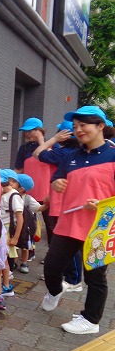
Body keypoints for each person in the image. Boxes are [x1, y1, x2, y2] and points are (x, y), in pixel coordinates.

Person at [42, 106, 115, 334]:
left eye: (83, 125)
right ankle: (55, 290)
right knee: (52, 267)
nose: (78, 130)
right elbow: (57, 179)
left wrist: (102, 203)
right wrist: (56, 184)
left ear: (100, 126)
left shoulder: (113, 155)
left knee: (95, 276)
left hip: (99, 227)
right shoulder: (71, 156)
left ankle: (91, 320)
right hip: (69, 222)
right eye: (75, 126)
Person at [33, 121, 83, 289]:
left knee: (67, 242)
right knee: (69, 242)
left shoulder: (63, 153)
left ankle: (73, 279)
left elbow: (37, 153)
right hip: (68, 201)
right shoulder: (79, 153)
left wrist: (53, 139)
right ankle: (70, 277)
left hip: (63, 204)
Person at [14, 117, 56, 245]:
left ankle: (52, 252)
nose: (27, 134)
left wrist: (41, 140)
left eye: (30, 131)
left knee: (51, 226)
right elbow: (19, 169)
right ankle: (27, 250)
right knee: (26, 223)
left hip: (47, 193)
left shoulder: (52, 145)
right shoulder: (24, 148)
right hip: (28, 192)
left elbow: (51, 159)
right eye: (25, 131)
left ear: (39, 131)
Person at [0, 169, 26, 274]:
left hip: (8, 229)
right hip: (1, 227)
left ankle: (7, 275)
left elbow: (20, 218)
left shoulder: (14, 196)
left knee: (5, 255)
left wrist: (15, 238)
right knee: (2, 255)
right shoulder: (3, 194)